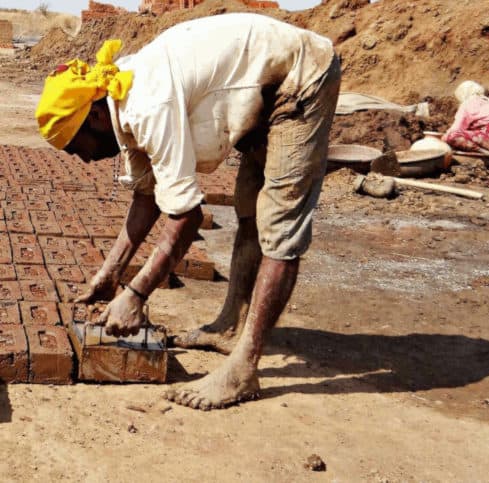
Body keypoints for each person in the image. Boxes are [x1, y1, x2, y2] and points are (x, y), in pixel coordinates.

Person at [35, 13, 341, 411]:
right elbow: (147, 197)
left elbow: (187, 216)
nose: (85, 160)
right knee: (250, 210)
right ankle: (231, 326)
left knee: (279, 226)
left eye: (78, 147)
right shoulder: (120, 99)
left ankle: (243, 368)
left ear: (93, 117)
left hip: (300, 78)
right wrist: (110, 274)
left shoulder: (147, 105)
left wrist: (136, 294)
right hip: (264, 84)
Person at [442, 80, 489, 154]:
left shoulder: (467, 103)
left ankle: (483, 152)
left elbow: (456, 129)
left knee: (451, 136)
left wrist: (442, 140)